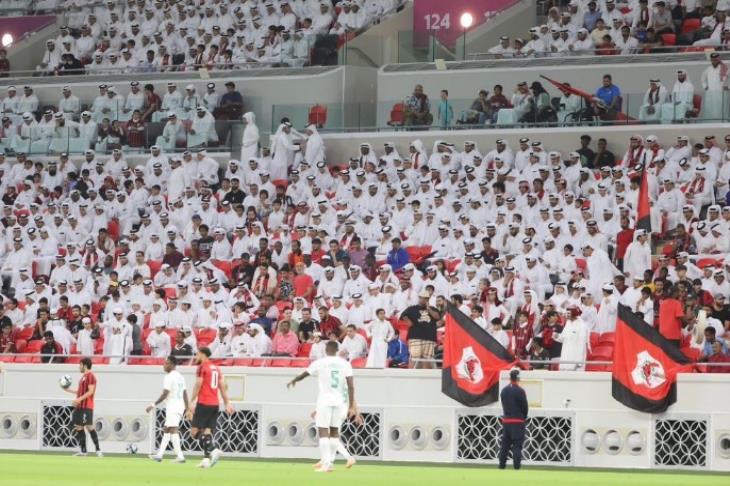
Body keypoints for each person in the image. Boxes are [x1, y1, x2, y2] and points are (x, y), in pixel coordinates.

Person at [287, 340, 360, 472]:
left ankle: (327, 464)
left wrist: (294, 380)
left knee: (323, 432)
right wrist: (351, 406)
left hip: (325, 401)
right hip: (339, 402)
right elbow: (350, 385)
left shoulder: (320, 362)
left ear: (326, 350)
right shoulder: (345, 364)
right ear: (337, 350)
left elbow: (306, 373)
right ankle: (330, 462)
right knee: (334, 432)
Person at [186, 347, 235, 469]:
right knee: (207, 432)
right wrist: (227, 403)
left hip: (204, 403)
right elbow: (222, 387)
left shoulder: (202, 367)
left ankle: (214, 450)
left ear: (203, 355)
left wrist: (191, 402)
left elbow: (198, 384)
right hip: (215, 404)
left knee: (194, 432)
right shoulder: (217, 369)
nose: (196, 357)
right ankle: (206, 460)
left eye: (197, 354)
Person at [146, 355, 189, 463]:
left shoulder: (169, 376)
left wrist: (153, 404)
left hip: (173, 405)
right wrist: (187, 407)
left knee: (173, 429)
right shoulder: (180, 376)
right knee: (167, 429)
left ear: (172, 365)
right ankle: (159, 455)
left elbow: (165, 393)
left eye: (166, 363)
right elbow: (184, 393)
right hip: (179, 405)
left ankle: (180, 456)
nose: (164, 365)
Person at [60, 357, 102, 457]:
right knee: (78, 426)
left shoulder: (91, 376)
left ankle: (98, 450)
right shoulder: (83, 378)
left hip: (87, 405)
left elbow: (91, 391)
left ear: (84, 365)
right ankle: (83, 451)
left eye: (80, 365)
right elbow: (80, 392)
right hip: (79, 406)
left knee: (89, 426)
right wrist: (68, 390)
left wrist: (79, 399)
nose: (79, 367)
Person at [400, 290, 441, 369]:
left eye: (425, 298)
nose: (423, 300)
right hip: (415, 336)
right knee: (414, 357)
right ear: (419, 298)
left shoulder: (433, 309)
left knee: (427, 359)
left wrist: (428, 309)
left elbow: (437, 317)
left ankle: (425, 378)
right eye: (422, 298)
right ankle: (410, 376)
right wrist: (408, 321)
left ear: (428, 299)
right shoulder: (412, 308)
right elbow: (403, 315)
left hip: (429, 337)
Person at [498, 368, 528, 470]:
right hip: (518, 421)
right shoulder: (520, 391)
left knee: (505, 446)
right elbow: (525, 407)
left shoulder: (504, 391)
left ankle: (501, 466)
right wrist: (523, 418)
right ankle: (516, 467)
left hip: (506, 421)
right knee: (517, 446)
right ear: (518, 378)